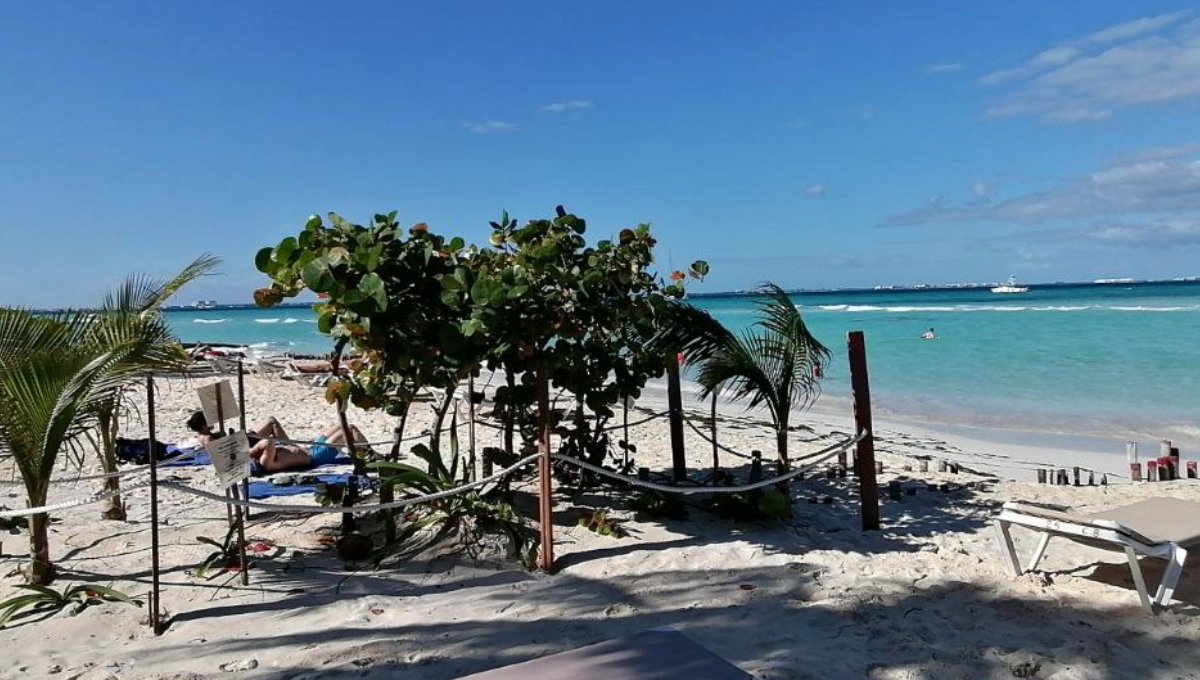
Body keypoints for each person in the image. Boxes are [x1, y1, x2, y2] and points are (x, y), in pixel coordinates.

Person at [249, 423, 371, 472]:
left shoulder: (264, 453)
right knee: (349, 429)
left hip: (311, 447)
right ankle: (372, 455)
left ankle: (363, 451)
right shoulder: (265, 462)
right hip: (316, 456)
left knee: (341, 425)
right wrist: (251, 451)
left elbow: (271, 425)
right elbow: (267, 443)